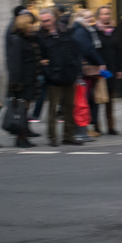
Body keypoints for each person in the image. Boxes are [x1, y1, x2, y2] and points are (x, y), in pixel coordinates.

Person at [37, 8, 83, 146]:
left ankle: (68, 135)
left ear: (53, 18)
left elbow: (74, 51)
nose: (45, 23)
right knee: (53, 109)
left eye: (48, 20)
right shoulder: (40, 36)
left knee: (69, 107)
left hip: (68, 74)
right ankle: (52, 137)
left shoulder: (65, 31)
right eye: (43, 21)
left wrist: (76, 70)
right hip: (54, 77)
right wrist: (48, 72)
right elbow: (41, 58)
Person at [69, 9, 106, 137]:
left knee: (86, 99)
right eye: (87, 17)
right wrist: (100, 61)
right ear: (80, 18)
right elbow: (88, 49)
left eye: (91, 16)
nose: (90, 19)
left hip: (86, 69)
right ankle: (83, 128)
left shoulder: (85, 29)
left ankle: (85, 127)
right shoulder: (81, 30)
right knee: (84, 99)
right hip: (86, 70)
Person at [7, 13, 42, 148]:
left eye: (32, 23)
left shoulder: (29, 39)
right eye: (29, 23)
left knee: (25, 110)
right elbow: (15, 64)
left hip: (30, 80)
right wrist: (15, 85)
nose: (32, 26)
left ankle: (23, 137)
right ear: (22, 25)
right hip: (22, 83)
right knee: (21, 111)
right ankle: (20, 138)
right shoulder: (17, 40)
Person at [94, 5, 122, 134]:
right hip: (99, 69)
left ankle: (111, 126)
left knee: (110, 100)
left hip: (112, 68)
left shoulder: (114, 30)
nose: (106, 16)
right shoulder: (94, 31)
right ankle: (96, 126)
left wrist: (120, 69)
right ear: (99, 16)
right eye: (104, 14)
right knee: (98, 98)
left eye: (108, 14)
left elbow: (119, 51)